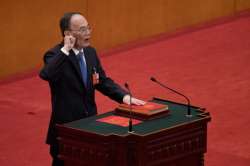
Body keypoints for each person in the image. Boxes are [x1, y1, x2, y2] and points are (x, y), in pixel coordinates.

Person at [39, 12, 145, 166]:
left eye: (88, 28)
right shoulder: (55, 55)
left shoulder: (90, 53)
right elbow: (46, 74)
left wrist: (124, 97)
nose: (87, 33)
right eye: (82, 30)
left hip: (90, 124)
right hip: (67, 130)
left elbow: (101, 80)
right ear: (68, 34)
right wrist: (66, 49)